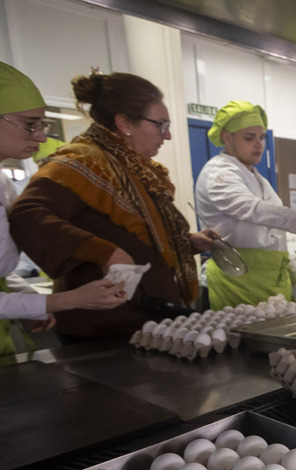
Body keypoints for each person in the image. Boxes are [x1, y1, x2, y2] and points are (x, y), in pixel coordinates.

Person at [9, 70, 218, 340]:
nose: (167, 136)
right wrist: (105, 252)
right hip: (105, 329)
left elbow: (132, 236)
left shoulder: (139, 171)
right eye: (160, 125)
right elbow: (28, 216)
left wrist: (188, 242)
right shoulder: (80, 164)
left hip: (150, 322)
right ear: (124, 123)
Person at [0, 63, 125, 354]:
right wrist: (64, 300)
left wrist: (34, 304)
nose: (42, 137)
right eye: (30, 124)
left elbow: (2, 275)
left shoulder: (3, 182)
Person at [195, 101, 296, 309]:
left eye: (261, 137)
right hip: (237, 281)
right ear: (227, 137)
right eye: (249, 138)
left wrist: (295, 273)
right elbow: (254, 210)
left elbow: (273, 234)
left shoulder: (257, 177)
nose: (259, 144)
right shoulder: (218, 173)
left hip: (271, 282)